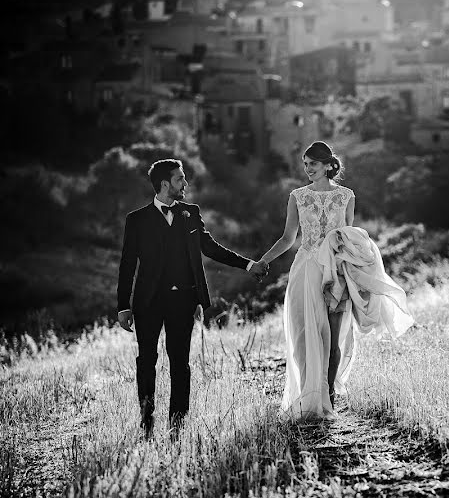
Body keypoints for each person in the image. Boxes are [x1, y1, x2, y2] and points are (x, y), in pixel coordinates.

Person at [256, 141, 413, 420]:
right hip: (305, 270)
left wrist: (358, 272)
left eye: (313, 164)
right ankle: (308, 396)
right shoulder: (297, 196)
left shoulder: (347, 196)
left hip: (337, 271)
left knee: (334, 336)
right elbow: (288, 238)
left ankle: (327, 399)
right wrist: (263, 261)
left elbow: (348, 239)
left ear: (329, 165)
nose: (307, 170)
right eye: (305, 164)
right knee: (305, 336)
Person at [117, 159, 269, 440]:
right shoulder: (136, 220)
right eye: (180, 179)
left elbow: (211, 248)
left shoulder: (191, 213)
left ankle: (178, 424)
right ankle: (146, 420)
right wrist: (123, 306)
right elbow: (127, 265)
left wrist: (248, 265)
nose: (185, 184)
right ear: (165, 184)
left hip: (183, 301)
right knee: (146, 360)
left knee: (180, 363)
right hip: (147, 303)